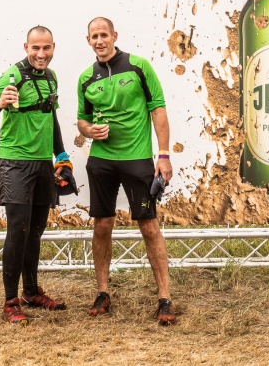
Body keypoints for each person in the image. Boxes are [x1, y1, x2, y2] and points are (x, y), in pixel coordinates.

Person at [76, 17, 177, 326]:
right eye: (94, 36)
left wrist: (163, 155)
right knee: (102, 225)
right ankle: (102, 293)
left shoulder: (138, 66)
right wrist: (90, 130)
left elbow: (157, 109)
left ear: (114, 36)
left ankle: (164, 298)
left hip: (137, 159)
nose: (99, 41)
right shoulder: (85, 78)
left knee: (149, 226)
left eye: (103, 35)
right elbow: (81, 119)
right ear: (88, 40)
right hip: (101, 161)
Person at [0, 26, 75, 325]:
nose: (41, 54)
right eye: (35, 48)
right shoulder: (12, 75)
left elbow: (51, 117)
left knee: (36, 230)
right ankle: (10, 302)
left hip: (43, 164)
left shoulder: (52, 77)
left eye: (46, 48)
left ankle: (31, 292)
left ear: (53, 47)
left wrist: (62, 156)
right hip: (14, 163)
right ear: (26, 47)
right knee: (18, 230)